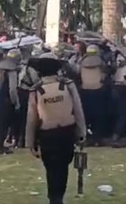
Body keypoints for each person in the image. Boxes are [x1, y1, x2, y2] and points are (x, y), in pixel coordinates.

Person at [26, 52, 86, 204]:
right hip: (66, 133)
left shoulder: (36, 90)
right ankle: (58, 197)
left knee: (51, 169)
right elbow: (78, 110)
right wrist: (81, 132)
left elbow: (31, 119)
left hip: (47, 135)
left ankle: (54, 198)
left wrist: (30, 142)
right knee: (62, 167)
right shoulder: (67, 85)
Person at [78, 44, 106, 144]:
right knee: (98, 115)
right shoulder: (101, 62)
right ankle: (97, 137)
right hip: (98, 90)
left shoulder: (81, 62)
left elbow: (77, 72)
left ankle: (86, 136)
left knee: (86, 114)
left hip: (85, 90)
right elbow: (106, 73)